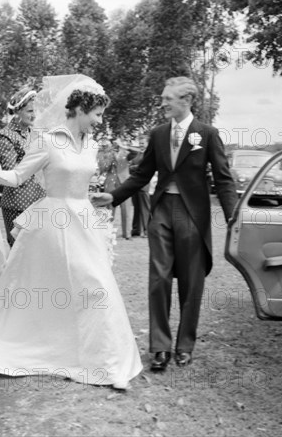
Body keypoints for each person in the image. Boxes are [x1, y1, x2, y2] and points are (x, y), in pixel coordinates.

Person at [0, 74, 143, 390]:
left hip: (83, 221)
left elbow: (83, 178)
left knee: (95, 286)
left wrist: (93, 197)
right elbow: (18, 175)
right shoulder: (49, 141)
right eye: (97, 114)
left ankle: (105, 363)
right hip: (53, 224)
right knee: (86, 284)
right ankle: (95, 362)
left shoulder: (91, 144)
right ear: (79, 109)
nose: (100, 121)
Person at [92, 76, 237, 370]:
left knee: (191, 281)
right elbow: (142, 175)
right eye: (163, 98)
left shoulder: (207, 134)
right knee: (158, 279)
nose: (163, 103)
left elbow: (223, 179)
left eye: (168, 99)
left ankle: (185, 345)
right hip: (160, 212)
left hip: (193, 214)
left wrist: (232, 214)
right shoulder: (158, 134)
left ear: (187, 101)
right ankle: (159, 347)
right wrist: (114, 196)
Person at [0, 86, 46, 246]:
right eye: (30, 111)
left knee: (37, 255)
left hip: (39, 201)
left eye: (35, 110)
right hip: (18, 204)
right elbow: (11, 171)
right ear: (17, 111)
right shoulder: (5, 136)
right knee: (18, 254)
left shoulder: (35, 133)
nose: (34, 115)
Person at [129, 136, 151, 237]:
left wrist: (134, 168)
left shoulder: (149, 154)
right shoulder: (137, 154)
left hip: (144, 185)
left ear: (147, 143)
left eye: (143, 143)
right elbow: (130, 167)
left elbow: (144, 167)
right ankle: (136, 229)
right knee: (136, 208)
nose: (141, 145)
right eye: (140, 143)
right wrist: (134, 168)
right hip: (134, 185)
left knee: (145, 208)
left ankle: (147, 230)